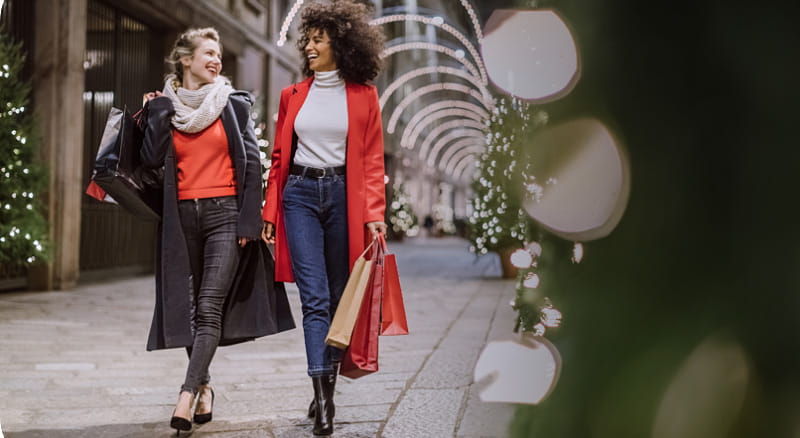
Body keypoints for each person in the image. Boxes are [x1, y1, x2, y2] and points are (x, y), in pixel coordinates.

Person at [140, 27, 293, 434]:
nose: (216, 60)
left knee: (209, 306)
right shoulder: (162, 108)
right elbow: (151, 161)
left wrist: (249, 219)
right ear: (185, 59)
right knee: (190, 310)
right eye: (208, 52)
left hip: (225, 216)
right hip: (181, 219)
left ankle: (187, 394)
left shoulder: (234, 104)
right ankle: (206, 387)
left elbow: (253, 164)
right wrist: (155, 115)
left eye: (219, 54)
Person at [261, 1, 386, 435]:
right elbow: (279, 157)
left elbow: (371, 160)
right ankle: (323, 399)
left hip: (343, 198)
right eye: (308, 39)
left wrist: (374, 214)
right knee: (313, 297)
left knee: (336, 298)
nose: (310, 46)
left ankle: (325, 389)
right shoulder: (292, 95)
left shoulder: (364, 96)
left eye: (319, 38)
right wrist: (270, 211)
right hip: (298, 195)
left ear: (341, 43)